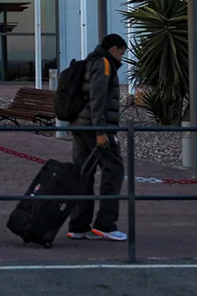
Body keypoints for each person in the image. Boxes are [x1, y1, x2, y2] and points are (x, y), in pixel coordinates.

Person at [67, 33, 129, 242]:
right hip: (96, 129)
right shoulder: (103, 64)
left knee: (83, 173)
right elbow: (98, 98)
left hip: (80, 126)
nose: (121, 58)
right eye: (121, 53)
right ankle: (105, 224)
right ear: (113, 49)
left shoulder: (92, 61)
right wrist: (101, 132)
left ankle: (78, 226)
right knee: (114, 170)